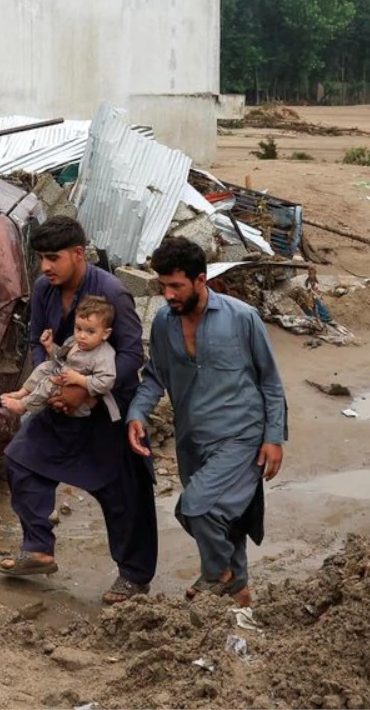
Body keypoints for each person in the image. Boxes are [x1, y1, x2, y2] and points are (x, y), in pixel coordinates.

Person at [0, 217, 157, 605]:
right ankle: (38, 549)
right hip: (58, 401)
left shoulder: (112, 293)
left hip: (107, 409)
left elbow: (132, 355)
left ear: (79, 253)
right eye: (40, 258)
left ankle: (134, 577)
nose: (45, 267)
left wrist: (84, 393)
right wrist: (53, 385)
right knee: (20, 459)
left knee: (123, 493)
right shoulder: (43, 289)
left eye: (53, 258)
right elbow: (38, 343)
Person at [126, 236, 286, 608]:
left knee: (196, 507)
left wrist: (274, 437)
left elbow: (270, 380)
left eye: (176, 286)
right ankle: (239, 593)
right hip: (192, 440)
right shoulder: (164, 323)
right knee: (226, 517)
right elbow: (155, 376)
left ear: (201, 280)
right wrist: (137, 413)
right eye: (163, 286)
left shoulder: (242, 317)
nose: (167, 295)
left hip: (242, 436)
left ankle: (217, 573)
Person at [0, 295, 120, 421]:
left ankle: (23, 406)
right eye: (78, 329)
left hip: (81, 400)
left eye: (90, 332)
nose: (82, 336)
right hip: (64, 378)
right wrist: (50, 347)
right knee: (45, 367)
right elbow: (61, 359)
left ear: (105, 333)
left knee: (49, 383)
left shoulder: (103, 355)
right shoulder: (74, 342)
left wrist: (80, 380)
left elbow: (105, 382)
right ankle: (23, 392)